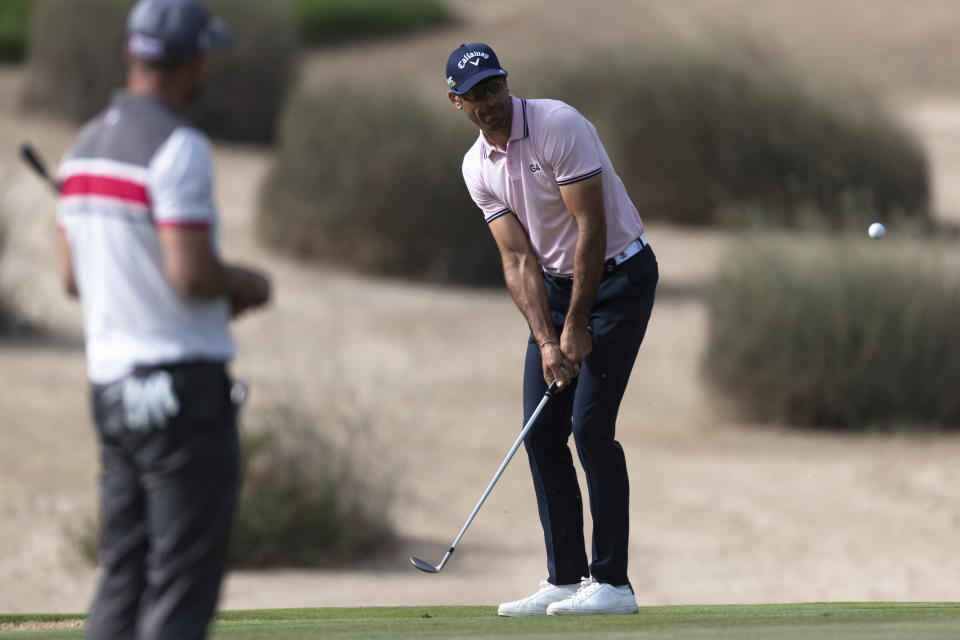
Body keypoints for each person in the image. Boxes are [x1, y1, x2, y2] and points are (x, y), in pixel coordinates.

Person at [55, 1, 271, 638]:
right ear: (195, 61)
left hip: (113, 393)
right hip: (180, 397)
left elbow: (73, 280)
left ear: (134, 52)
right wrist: (246, 284)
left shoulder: (85, 146)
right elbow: (191, 273)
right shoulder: (179, 147)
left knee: (122, 575)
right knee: (179, 587)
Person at [446, 43, 658, 616]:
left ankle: (612, 583)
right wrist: (548, 339)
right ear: (456, 102)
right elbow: (517, 260)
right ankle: (565, 578)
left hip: (618, 276)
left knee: (590, 429)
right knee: (541, 433)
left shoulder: (556, 125)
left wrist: (579, 324)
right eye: (475, 95)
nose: (489, 102)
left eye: (494, 88)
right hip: (561, 289)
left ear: (506, 83)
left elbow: (589, 227)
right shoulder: (476, 167)